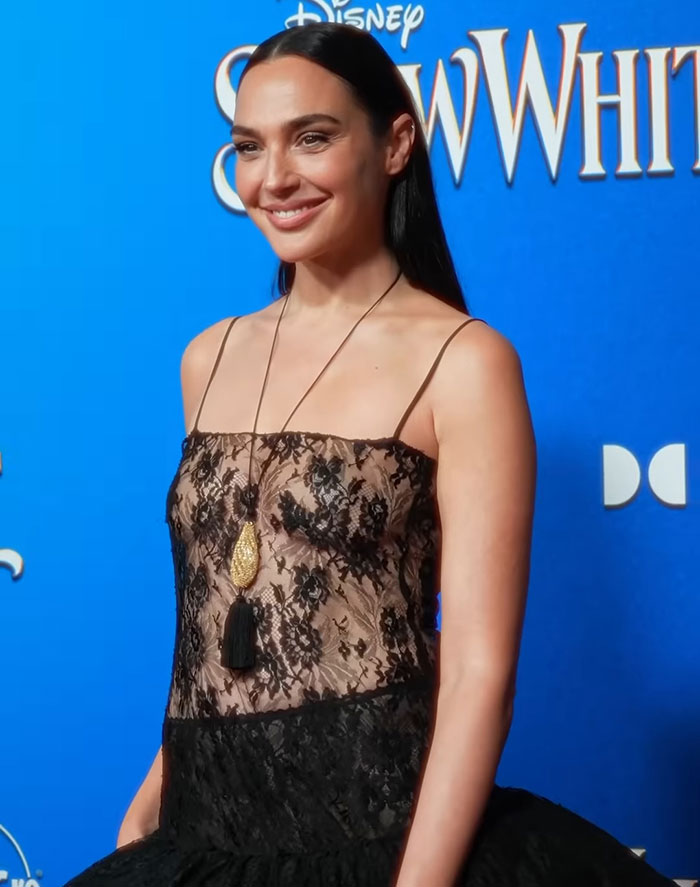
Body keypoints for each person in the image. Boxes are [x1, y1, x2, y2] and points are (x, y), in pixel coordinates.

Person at [63, 21, 676, 887]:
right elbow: (223, 614)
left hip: (386, 839)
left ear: (393, 144)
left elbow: (477, 674)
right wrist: (155, 788)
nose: (274, 178)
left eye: (311, 138)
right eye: (248, 147)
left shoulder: (464, 362)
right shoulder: (208, 357)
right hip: (202, 829)